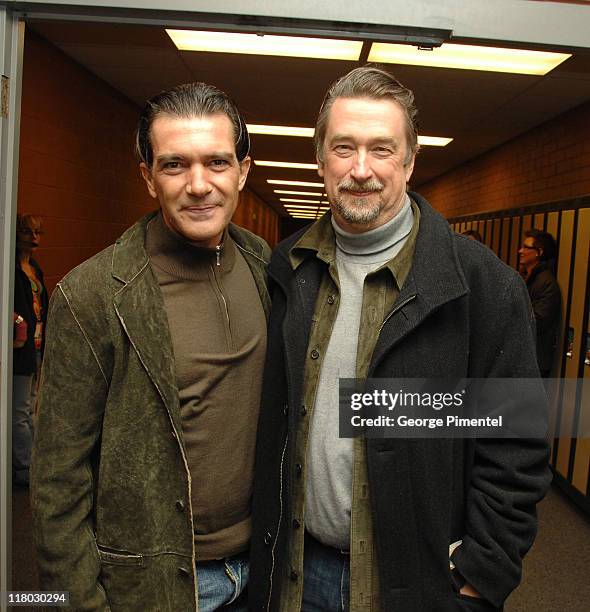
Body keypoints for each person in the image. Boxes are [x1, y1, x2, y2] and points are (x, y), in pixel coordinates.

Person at [249, 66, 551, 611]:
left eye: (382, 149)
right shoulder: (288, 269)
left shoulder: (483, 288)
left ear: (410, 162)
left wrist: (479, 577)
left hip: (415, 588)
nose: (361, 170)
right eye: (344, 148)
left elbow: (516, 452)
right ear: (321, 160)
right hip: (298, 576)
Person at [31, 82, 270, 611]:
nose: (199, 185)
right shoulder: (91, 295)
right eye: (174, 165)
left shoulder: (264, 266)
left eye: (217, 162)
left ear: (243, 171)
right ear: (148, 177)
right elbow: (57, 483)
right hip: (152, 585)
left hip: (263, 575)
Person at [12, 213, 48, 486]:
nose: (33, 238)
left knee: (33, 407)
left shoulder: (34, 268)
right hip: (19, 350)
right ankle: (26, 468)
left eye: (37, 232)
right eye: (27, 232)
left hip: (36, 347)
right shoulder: (11, 270)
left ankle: (34, 461)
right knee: (20, 411)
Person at [518, 229, 561, 377]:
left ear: (539, 252)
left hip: (536, 361)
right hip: (526, 357)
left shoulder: (546, 283)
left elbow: (537, 321)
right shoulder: (528, 278)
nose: (520, 251)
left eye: (526, 247)